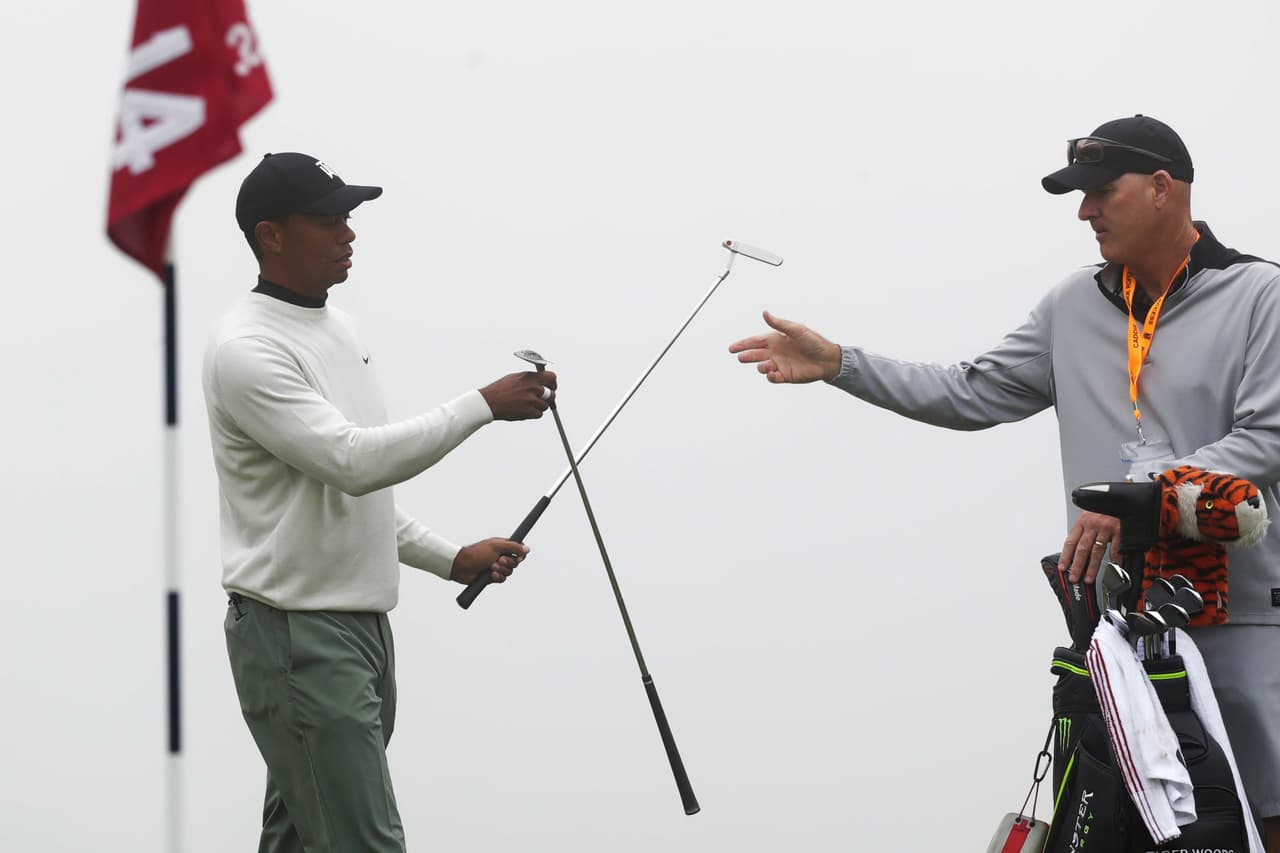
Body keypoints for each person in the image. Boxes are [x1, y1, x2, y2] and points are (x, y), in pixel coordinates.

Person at [728, 115, 1280, 849]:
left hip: (1240, 621)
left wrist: (1139, 495)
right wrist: (841, 365)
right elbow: (972, 391)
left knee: (1259, 817)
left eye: (1100, 193)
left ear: (1161, 189)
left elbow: (1267, 437)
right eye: (1079, 198)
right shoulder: (1072, 305)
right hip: (1116, 636)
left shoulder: (1258, 294)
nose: (1085, 212)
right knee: (1123, 826)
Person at [202, 151, 556, 852]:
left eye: (350, 218)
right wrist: (481, 405)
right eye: (329, 220)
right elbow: (353, 461)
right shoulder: (246, 349)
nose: (349, 233)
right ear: (272, 235)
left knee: (305, 840)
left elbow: (342, 488)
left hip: (358, 630)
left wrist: (449, 556)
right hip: (296, 635)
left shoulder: (339, 328)